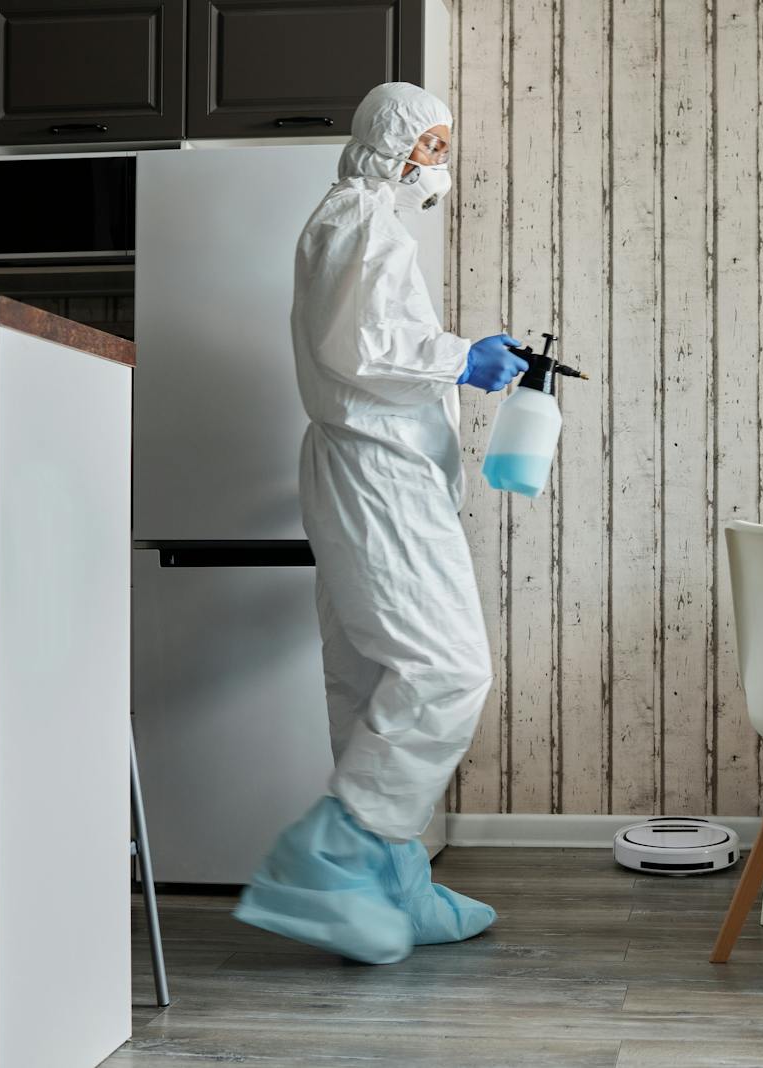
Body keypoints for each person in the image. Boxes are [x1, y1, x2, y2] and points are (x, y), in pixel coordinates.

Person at [234, 83, 527, 964]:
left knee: (372, 678)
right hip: (374, 468)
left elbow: (366, 339)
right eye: (432, 145)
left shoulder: (364, 220)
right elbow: (357, 349)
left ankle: (397, 886)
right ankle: (327, 861)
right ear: (394, 142)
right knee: (446, 669)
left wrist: (457, 358)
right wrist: (460, 358)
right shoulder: (361, 219)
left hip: (371, 464)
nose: (440, 162)